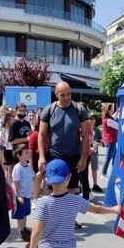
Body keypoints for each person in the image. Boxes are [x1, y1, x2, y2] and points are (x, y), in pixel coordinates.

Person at [38, 81, 91, 229]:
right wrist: (42, 156)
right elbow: (41, 135)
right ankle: (50, 219)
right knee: (52, 188)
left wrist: (84, 158)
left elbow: (86, 136)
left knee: (72, 189)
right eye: (63, 95)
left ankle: (69, 220)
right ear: (56, 95)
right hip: (54, 155)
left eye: (69, 94)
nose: (67, 98)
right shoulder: (49, 110)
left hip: (73, 155)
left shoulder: (80, 110)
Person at [12, 144, 34, 241]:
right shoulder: (17, 168)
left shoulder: (29, 166)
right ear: (19, 155)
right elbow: (15, 182)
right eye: (25, 153)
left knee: (25, 213)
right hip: (21, 195)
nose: (28, 155)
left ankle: (24, 228)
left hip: (27, 194)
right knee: (20, 215)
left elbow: (33, 177)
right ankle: (21, 231)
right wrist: (18, 196)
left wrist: (40, 172)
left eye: (28, 153)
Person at [100, 103, 118, 180]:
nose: (113, 110)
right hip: (111, 141)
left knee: (113, 157)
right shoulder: (108, 121)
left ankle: (113, 172)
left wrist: (117, 111)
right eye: (112, 109)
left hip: (109, 141)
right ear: (108, 110)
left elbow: (114, 117)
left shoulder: (106, 119)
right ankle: (103, 174)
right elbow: (118, 126)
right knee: (108, 158)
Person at [89, 114, 103, 192]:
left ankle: (95, 184)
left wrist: (97, 144)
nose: (92, 120)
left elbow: (101, 141)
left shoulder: (97, 130)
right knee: (83, 169)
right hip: (86, 151)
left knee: (94, 168)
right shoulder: (85, 128)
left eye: (94, 119)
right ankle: (82, 185)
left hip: (94, 151)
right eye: (91, 119)